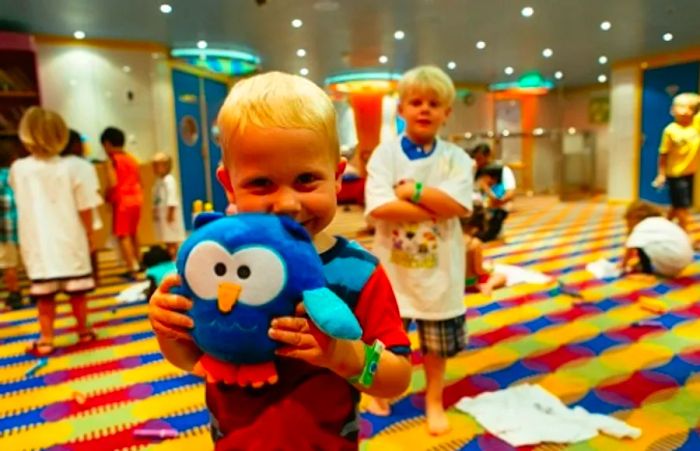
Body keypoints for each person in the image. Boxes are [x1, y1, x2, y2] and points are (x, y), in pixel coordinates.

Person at [148, 71, 412, 450]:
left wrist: (345, 355)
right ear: (229, 185)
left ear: (337, 177)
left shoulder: (358, 272)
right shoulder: (215, 265)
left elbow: (398, 377)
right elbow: (193, 360)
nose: (287, 203)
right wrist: (166, 328)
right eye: (261, 183)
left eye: (307, 179)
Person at [364, 65, 473, 435]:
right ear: (401, 109)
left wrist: (414, 192)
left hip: (440, 271)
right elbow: (378, 208)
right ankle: (376, 391)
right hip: (392, 270)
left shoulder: (456, 158)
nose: (424, 109)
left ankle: (434, 398)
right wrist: (436, 204)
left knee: (435, 345)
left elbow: (460, 207)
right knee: (381, 338)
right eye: (416, 102)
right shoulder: (384, 154)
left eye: (434, 103)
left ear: (447, 112)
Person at [11, 107, 101, 355]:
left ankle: (47, 338)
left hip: (38, 243)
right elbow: (85, 206)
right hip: (71, 238)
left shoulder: (19, 168)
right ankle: (83, 330)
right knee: (78, 293)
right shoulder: (76, 167)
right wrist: (91, 235)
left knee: (45, 298)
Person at [652, 92, 700, 235]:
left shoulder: (696, 125)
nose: (685, 111)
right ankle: (687, 237)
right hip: (676, 174)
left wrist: (692, 100)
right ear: (672, 110)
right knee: (682, 208)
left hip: (691, 173)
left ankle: (664, 227)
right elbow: (663, 154)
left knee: (677, 204)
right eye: (680, 107)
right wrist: (661, 174)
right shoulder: (670, 130)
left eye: (689, 107)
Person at [62, 130, 104, 285]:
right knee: (90, 243)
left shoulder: (58, 165)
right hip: (86, 206)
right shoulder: (84, 165)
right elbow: (94, 190)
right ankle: (94, 276)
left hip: (65, 211)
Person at [101, 126, 143, 280]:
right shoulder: (131, 158)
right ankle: (138, 261)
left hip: (122, 201)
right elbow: (139, 179)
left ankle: (132, 268)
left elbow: (112, 183)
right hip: (137, 198)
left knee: (122, 235)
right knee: (133, 233)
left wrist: (106, 196)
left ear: (107, 144)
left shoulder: (112, 160)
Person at [621, 200, 693, 278]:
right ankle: (648, 267)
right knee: (650, 243)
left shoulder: (642, 225)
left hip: (672, 261)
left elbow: (630, 246)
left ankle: (646, 272)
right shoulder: (661, 222)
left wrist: (622, 265)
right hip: (683, 262)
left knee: (640, 244)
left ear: (635, 217)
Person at [470, 143, 516, 241]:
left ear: (488, 156)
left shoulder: (502, 170)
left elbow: (510, 193)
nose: (477, 162)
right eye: (475, 159)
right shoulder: (473, 170)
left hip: (496, 209)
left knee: (486, 236)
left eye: (480, 159)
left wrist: (488, 190)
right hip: (476, 210)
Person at [461, 206, 507, 296]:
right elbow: (479, 270)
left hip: (455, 283)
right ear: (476, 227)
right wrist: (489, 270)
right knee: (501, 276)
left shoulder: (450, 241)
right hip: (470, 283)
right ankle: (488, 286)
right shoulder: (474, 243)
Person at [0, 137, 21, 309]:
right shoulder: (18, 175)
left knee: (9, 264)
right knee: (28, 260)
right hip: (24, 223)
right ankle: (38, 292)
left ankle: (15, 294)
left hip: (5, 228)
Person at [151, 152, 185, 258]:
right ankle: (171, 256)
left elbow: (172, 198)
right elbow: (156, 199)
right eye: (154, 165)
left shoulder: (169, 180)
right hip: (162, 215)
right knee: (166, 238)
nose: (155, 168)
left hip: (169, 215)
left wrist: (170, 213)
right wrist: (154, 211)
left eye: (158, 165)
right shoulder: (158, 181)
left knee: (172, 238)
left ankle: (175, 258)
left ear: (166, 166)